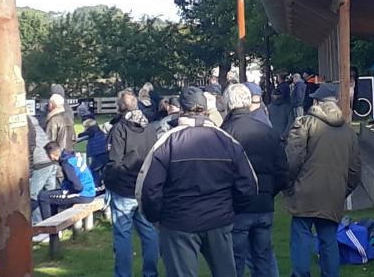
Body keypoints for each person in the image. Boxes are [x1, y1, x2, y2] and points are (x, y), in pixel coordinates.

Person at [136, 86, 258, 277]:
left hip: (178, 222)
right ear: (206, 109)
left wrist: (157, 218)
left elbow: (148, 189)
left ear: (181, 110)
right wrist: (231, 210)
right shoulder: (226, 140)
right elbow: (249, 185)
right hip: (218, 219)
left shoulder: (167, 141)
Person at [285, 83, 361, 277]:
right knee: (329, 240)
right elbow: (355, 171)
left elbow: (293, 159)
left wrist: (288, 184)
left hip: (305, 191)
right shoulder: (349, 133)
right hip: (333, 193)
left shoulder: (304, 123)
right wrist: (342, 190)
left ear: (316, 101)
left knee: (301, 236)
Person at [221, 84, 288, 277]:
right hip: (264, 203)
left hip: (237, 205)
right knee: (263, 258)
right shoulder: (268, 131)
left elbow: (220, 173)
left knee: (235, 261)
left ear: (228, 104)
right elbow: (282, 170)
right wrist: (268, 191)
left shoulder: (225, 133)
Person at [104, 90, 159, 277]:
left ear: (119, 106)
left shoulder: (119, 129)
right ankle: (150, 273)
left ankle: (123, 274)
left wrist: (109, 181)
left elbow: (114, 162)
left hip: (124, 188)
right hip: (143, 186)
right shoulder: (150, 128)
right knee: (149, 232)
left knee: (122, 235)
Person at [38, 142, 95, 220]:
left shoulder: (66, 164)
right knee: (50, 196)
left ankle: (48, 228)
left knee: (43, 197)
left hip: (83, 194)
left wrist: (67, 192)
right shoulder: (71, 156)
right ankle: (54, 226)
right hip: (89, 191)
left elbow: (78, 187)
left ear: (51, 155)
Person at [27, 115, 57, 224]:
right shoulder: (38, 126)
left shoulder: (27, 126)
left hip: (40, 163)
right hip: (51, 160)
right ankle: (54, 221)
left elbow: (30, 146)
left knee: (32, 195)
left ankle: (37, 224)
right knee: (50, 193)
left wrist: (29, 167)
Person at [77, 116, 107, 191]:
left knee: (93, 170)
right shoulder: (98, 130)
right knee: (102, 169)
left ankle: (96, 185)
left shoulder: (91, 131)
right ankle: (103, 184)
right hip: (104, 152)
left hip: (98, 153)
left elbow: (81, 135)